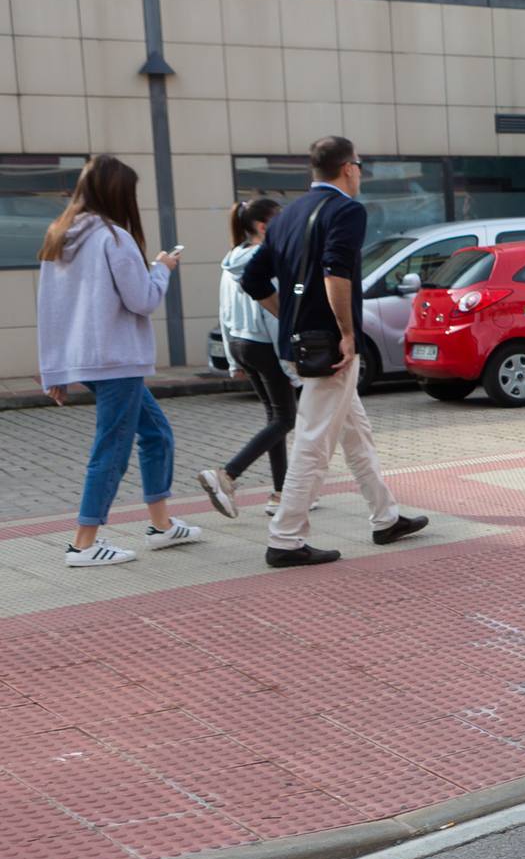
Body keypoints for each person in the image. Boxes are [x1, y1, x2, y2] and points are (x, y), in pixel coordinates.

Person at [238, 135, 428, 567]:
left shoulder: (287, 215)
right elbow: (335, 272)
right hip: (331, 347)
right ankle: (285, 539)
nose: (360, 173)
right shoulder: (346, 210)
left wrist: (288, 314)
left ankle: (386, 517)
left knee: (355, 434)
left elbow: (253, 279)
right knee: (313, 442)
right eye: (359, 165)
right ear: (348, 167)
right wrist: (346, 331)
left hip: (302, 341)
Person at [34, 154, 202, 568]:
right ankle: (83, 543)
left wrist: (54, 371)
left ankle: (162, 526)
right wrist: (161, 269)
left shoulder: (60, 235)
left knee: (156, 433)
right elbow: (142, 300)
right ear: (118, 193)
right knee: (112, 448)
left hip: (87, 360)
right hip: (118, 360)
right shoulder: (114, 238)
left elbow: (49, 310)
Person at [195, 198, 298, 521]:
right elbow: (274, 315)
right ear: (264, 227)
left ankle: (281, 492)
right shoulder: (265, 261)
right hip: (264, 344)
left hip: (241, 344)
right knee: (286, 419)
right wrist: (289, 360)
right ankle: (227, 474)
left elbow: (224, 313)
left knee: (275, 419)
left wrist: (231, 359)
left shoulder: (231, 261)